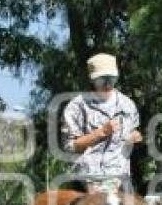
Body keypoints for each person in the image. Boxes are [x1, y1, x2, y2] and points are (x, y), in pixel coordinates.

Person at [61, 53, 142, 194]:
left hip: (120, 175)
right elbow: (70, 147)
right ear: (92, 80)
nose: (107, 84)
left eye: (112, 79)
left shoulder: (127, 105)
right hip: (88, 177)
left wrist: (135, 136)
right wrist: (101, 133)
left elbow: (134, 132)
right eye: (102, 80)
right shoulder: (75, 107)